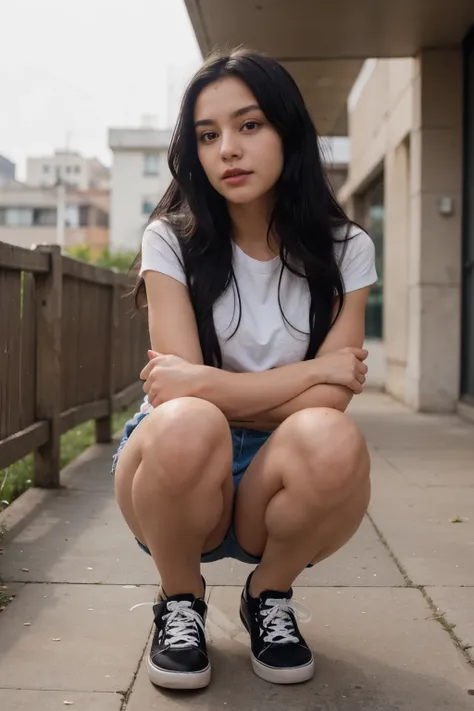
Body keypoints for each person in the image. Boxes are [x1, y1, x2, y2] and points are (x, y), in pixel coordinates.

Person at [113, 46, 376, 691]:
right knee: (187, 423)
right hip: (175, 471)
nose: (228, 148)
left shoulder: (348, 250)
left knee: (332, 440)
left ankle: (268, 595)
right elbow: (176, 392)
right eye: (208, 135)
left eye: (249, 125)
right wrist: (312, 374)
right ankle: (181, 600)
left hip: (278, 475)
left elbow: (328, 408)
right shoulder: (170, 238)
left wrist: (209, 382)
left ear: (288, 131)